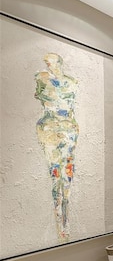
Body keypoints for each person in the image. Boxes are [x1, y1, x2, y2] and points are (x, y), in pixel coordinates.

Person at [34, 53, 79, 241]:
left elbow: (68, 108)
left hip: (68, 130)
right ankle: (59, 223)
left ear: (59, 63)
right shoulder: (41, 79)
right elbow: (43, 99)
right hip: (49, 130)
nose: (47, 66)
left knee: (66, 178)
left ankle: (65, 224)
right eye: (46, 63)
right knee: (55, 176)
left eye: (49, 62)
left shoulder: (71, 82)